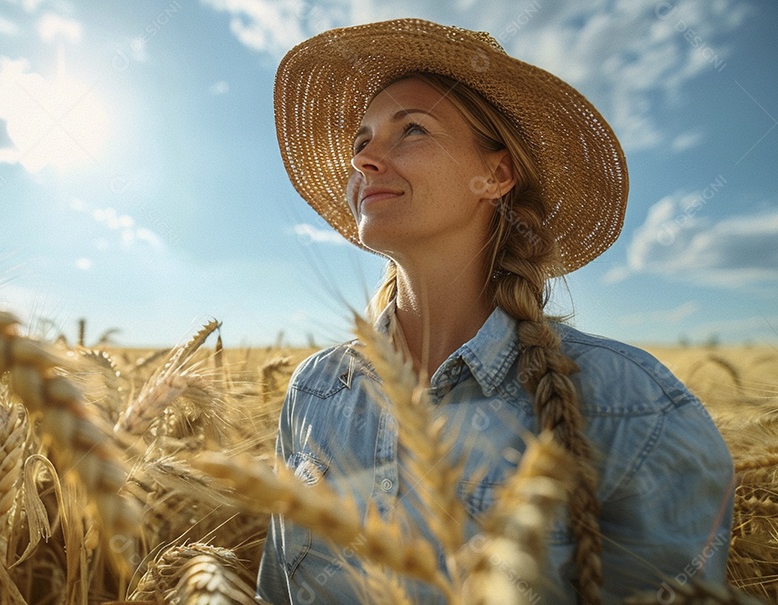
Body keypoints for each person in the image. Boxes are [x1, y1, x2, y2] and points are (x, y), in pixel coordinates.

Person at [257, 18, 735, 605]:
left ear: (496, 175)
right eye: (361, 141)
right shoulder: (315, 391)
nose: (365, 160)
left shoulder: (631, 405)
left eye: (411, 131)